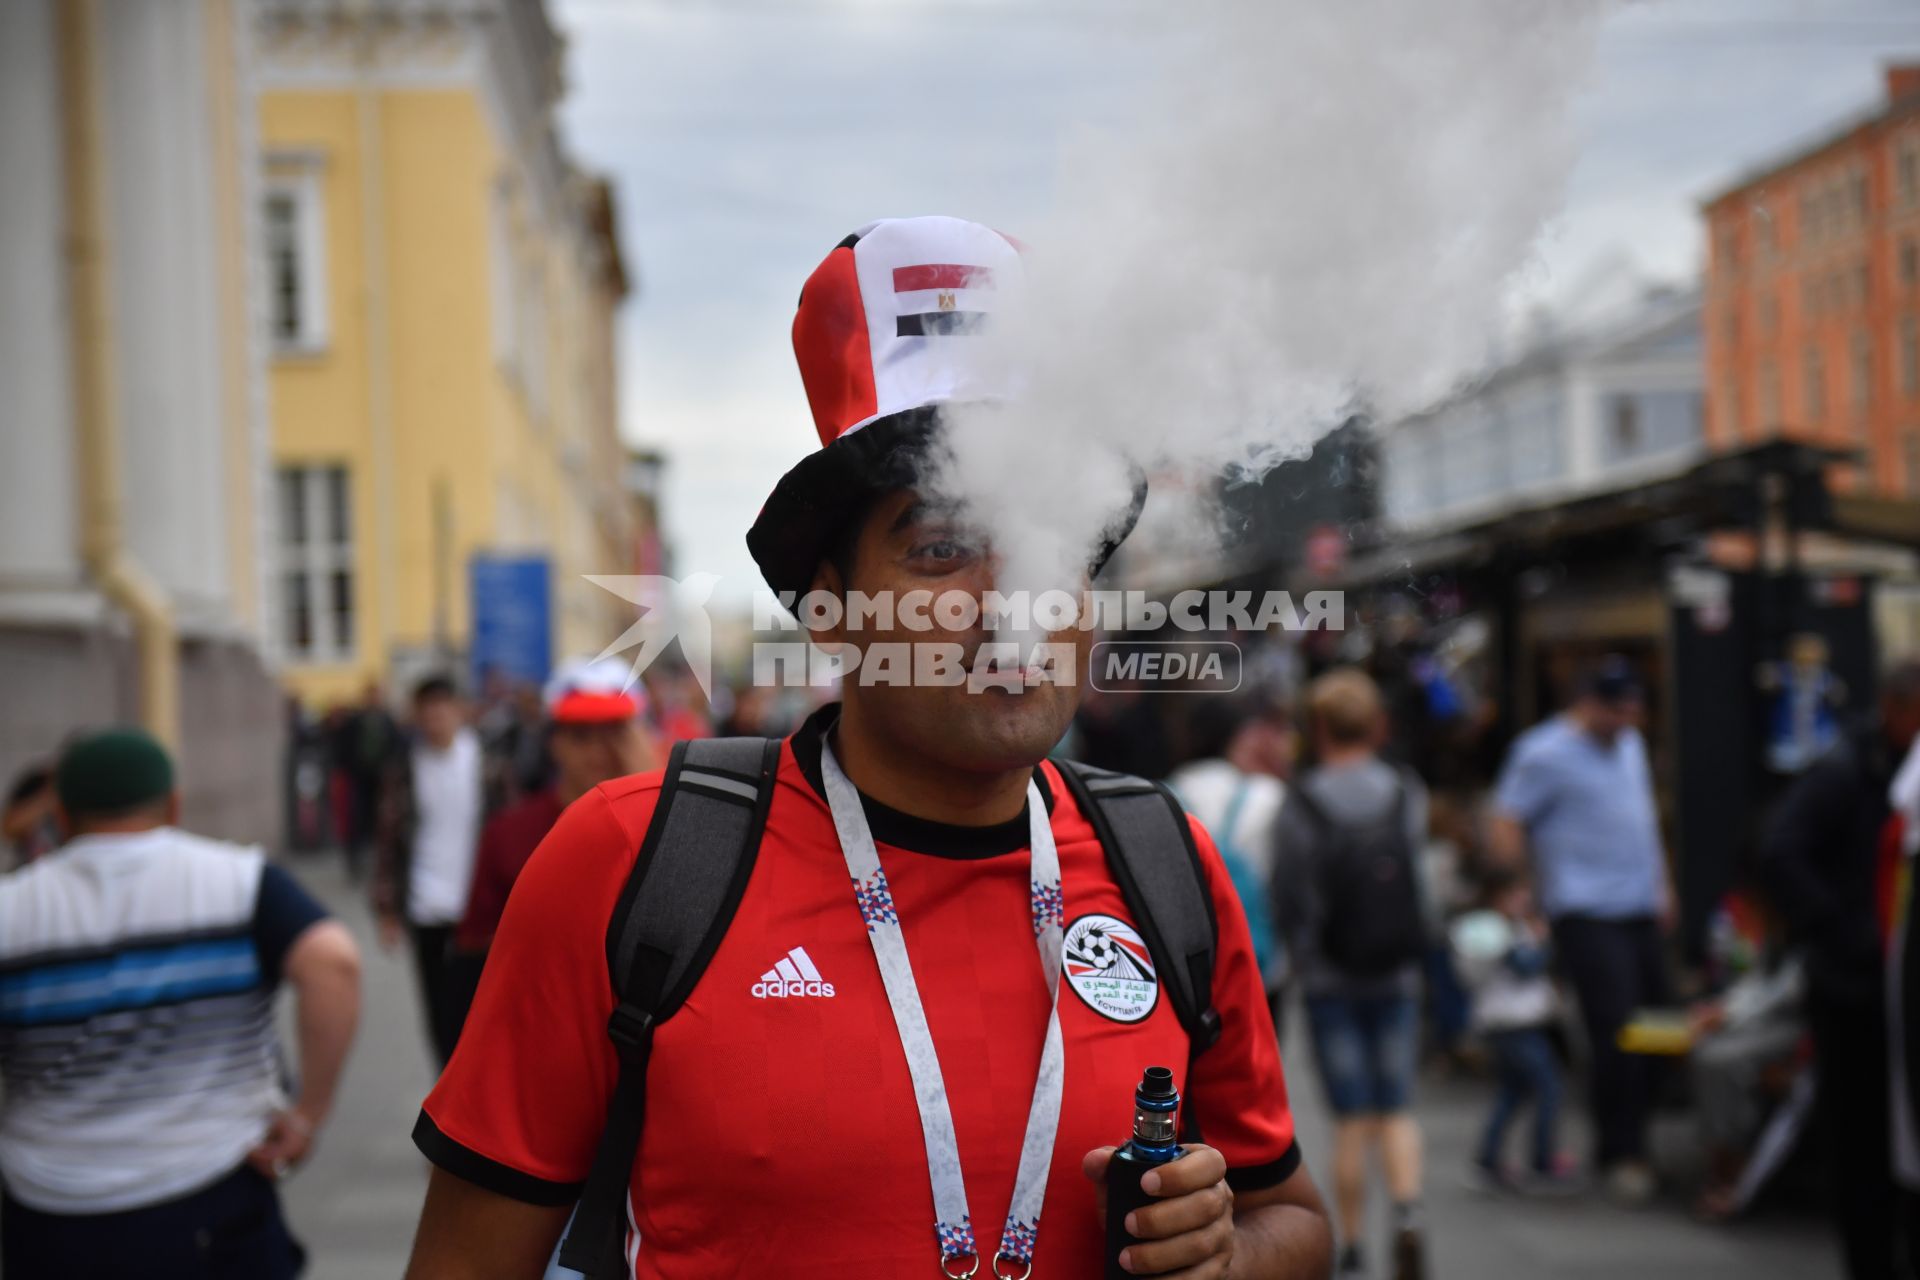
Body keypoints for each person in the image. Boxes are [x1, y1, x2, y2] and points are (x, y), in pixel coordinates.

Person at [402, 216, 1331, 1278]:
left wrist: (1224, 1255)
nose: (1013, 606)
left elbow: (1294, 1218)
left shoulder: (1165, 860)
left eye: (1049, 544)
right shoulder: (627, 862)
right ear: (830, 608)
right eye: (942, 549)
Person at [0, 728, 361, 1279]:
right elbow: (334, 963)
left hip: (53, 1207)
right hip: (212, 1194)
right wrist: (308, 1114)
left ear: (64, 817)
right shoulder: (239, 881)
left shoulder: (13, 908)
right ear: (173, 803)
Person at [1489, 656, 1673, 1204]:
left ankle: (1636, 1131)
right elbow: (1506, 819)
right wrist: (1519, 889)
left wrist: (1663, 883)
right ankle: (1623, 1150)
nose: (1625, 722)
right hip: (1586, 910)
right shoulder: (1543, 752)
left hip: (1638, 906)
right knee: (1619, 1030)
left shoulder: (1630, 746)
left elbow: (1641, 817)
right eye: (1615, 711)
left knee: (1663, 1025)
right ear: (1589, 703)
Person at [1761, 659, 1920, 1279]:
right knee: (1864, 1147)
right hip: (1855, 993)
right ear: (1895, 707)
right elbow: (1782, 855)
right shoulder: (1845, 773)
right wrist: (1851, 935)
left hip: (1883, 984)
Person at [1274, 668, 1429, 1280]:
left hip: (1329, 979)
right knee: (1396, 1107)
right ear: (1377, 726)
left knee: (1350, 1118)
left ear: (1318, 728)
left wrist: (1305, 955)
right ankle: (1410, 1213)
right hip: (1395, 971)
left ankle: (1356, 1243)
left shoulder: (1304, 800)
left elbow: (1291, 892)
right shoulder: (1404, 792)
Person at [455, 658, 656, 955]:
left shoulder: (663, 833)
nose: (598, 750)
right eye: (581, 734)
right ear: (554, 741)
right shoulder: (507, 834)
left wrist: (656, 793)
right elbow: (473, 948)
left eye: (615, 734)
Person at [375, 674, 486, 1067]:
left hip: (481, 909)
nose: (436, 719)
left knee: (482, 1012)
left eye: (444, 709)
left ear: (460, 711)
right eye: (428, 712)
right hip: (427, 906)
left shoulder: (486, 763)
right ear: (416, 717)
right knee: (439, 1014)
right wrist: (387, 910)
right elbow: (388, 839)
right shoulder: (404, 769)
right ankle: (447, 1099)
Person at [1168, 692, 1294, 1026]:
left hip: (1190, 964)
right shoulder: (1269, 796)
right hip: (1260, 957)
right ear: (1235, 737)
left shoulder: (1161, 797)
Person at [1450, 867, 1573, 1195]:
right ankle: (1542, 1163)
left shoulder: (1503, 927)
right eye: (1517, 893)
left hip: (1511, 1025)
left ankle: (1488, 1162)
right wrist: (1546, 942)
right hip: (1513, 1026)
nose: (1525, 899)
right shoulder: (1493, 931)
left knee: (1512, 1094)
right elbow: (1525, 966)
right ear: (1498, 897)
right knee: (1549, 1088)